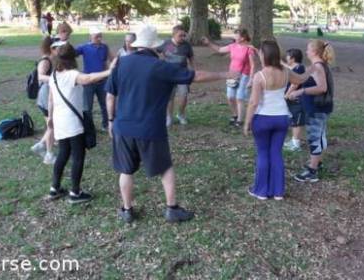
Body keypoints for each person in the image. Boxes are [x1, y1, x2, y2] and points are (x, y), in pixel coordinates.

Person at [106, 24, 237, 223]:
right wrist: (224, 75)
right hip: (150, 128)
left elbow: (110, 95)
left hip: (123, 127)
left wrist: (110, 120)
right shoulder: (161, 67)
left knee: (126, 170)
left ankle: (126, 210)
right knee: (165, 167)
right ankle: (171, 209)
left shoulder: (121, 64)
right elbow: (195, 76)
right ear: (155, 47)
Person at [47, 43, 114, 203]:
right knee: (78, 156)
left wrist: (50, 118)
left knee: (63, 153)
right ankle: (75, 193)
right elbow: (89, 78)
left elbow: (50, 99)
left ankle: (54, 188)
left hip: (59, 120)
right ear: (74, 58)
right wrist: (110, 71)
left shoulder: (53, 76)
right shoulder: (72, 75)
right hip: (72, 122)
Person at [243, 40, 309, 200]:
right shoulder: (286, 72)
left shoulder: (260, 76)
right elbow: (300, 79)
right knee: (276, 153)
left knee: (263, 153)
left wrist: (246, 123)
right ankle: (278, 192)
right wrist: (313, 66)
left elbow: (253, 102)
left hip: (263, 119)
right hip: (281, 118)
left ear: (263, 55)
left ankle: (261, 191)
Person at [287, 39, 335, 183]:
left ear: (314, 52)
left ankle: (312, 171)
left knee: (314, 138)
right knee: (319, 137)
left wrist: (300, 91)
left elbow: (322, 88)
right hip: (319, 108)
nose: (306, 51)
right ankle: (317, 163)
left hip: (317, 109)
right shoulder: (317, 65)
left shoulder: (318, 67)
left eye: (308, 49)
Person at [203, 28, 257, 127]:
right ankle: (235, 114)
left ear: (243, 38)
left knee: (240, 98)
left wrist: (251, 79)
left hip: (244, 75)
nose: (235, 37)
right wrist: (208, 43)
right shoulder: (232, 46)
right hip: (231, 74)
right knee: (230, 97)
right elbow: (219, 50)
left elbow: (253, 65)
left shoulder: (249, 49)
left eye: (237, 35)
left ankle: (240, 120)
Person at [75, 26, 114, 131]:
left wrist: (109, 73)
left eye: (100, 36)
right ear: (91, 36)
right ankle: (89, 127)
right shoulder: (84, 47)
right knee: (87, 107)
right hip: (88, 81)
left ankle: (106, 124)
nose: (99, 39)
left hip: (102, 81)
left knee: (105, 104)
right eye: (97, 37)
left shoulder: (104, 47)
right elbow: (70, 54)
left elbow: (107, 61)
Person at [156, 25, 195, 126]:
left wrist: (193, 69)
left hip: (182, 75)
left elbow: (191, 57)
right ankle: (169, 117)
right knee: (169, 97)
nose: (183, 37)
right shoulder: (165, 43)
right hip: (168, 75)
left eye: (184, 35)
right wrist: (160, 63)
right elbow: (157, 52)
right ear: (173, 35)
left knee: (184, 95)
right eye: (180, 35)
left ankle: (180, 114)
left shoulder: (187, 45)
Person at [31, 37, 58, 164]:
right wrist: (57, 78)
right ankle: (48, 155)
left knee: (51, 126)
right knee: (52, 126)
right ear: (51, 48)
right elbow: (40, 76)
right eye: (57, 47)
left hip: (47, 96)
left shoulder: (51, 59)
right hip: (45, 96)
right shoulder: (45, 60)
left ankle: (40, 145)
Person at [283, 48, 306, 152]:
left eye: (287, 56)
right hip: (292, 99)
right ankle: (294, 141)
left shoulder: (299, 68)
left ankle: (296, 144)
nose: (286, 58)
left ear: (292, 58)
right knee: (293, 120)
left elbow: (295, 83)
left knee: (297, 121)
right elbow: (287, 67)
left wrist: (287, 94)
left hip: (298, 100)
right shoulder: (294, 67)